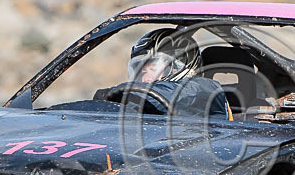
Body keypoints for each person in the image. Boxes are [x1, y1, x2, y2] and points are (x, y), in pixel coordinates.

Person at [97, 28, 231, 119]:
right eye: (141, 71)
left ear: (179, 67)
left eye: (153, 69)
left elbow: (176, 95)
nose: (145, 79)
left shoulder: (205, 90)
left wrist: (115, 93)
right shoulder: (148, 101)